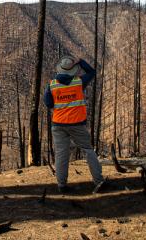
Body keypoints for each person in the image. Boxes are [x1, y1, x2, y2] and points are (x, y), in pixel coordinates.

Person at [44, 55, 105, 194]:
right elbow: (92, 72)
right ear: (73, 70)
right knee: (88, 150)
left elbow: (48, 103)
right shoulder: (79, 82)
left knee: (61, 154)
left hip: (58, 124)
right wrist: (81, 62)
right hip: (77, 124)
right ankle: (99, 180)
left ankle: (61, 185)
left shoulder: (51, 85)